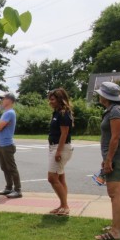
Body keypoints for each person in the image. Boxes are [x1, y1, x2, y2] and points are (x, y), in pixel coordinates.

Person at [94, 82, 120, 240]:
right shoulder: (114, 109)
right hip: (117, 156)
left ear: (105, 96)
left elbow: (115, 138)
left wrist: (108, 159)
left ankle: (115, 231)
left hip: (116, 157)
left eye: (100, 94)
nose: (99, 96)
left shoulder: (115, 111)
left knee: (114, 194)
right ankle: (119, 226)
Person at [47, 88, 74, 216]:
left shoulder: (64, 113)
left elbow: (64, 133)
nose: (50, 102)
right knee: (60, 178)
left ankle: (65, 206)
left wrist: (58, 151)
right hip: (54, 147)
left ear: (59, 99)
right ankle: (62, 205)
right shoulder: (56, 113)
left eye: (52, 99)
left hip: (61, 148)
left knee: (52, 178)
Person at [0, 92, 22, 198]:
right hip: (2, 145)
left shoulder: (9, 113)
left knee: (11, 168)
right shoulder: (5, 113)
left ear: (9, 100)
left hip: (7, 145)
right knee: (4, 167)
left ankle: (18, 190)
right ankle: (8, 188)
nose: (1, 101)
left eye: (3, 99)